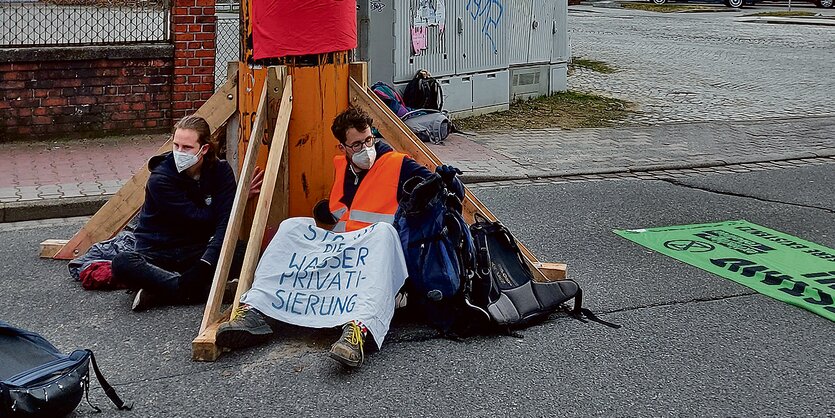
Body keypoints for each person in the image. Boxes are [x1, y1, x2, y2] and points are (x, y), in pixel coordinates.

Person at [215, 107, 463, 368]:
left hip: (376, 256)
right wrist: (323, 212)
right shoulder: (343, 168)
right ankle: (255, 309)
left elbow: (444, 194)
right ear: (342, 146)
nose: (366, 147)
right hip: (344, 250)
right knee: (291, 227)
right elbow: (341, 212)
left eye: (369, 139)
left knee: (384, 232)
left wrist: (449, 181)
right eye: (356, 144)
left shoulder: (397, 164)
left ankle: (358, 330)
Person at [111, 115, 262, 311]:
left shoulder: (221, 171)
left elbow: (226, 224)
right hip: (157, 252)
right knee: (121, 264)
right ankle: (189, 289)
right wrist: (231, 200)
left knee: (246, 252)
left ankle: (159, 290)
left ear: (204, 148)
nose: (179, 152)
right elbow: (200, 219)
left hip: (196, 249)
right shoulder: (160, 180)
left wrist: (206, 262)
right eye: (176, 146)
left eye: (187, 147)